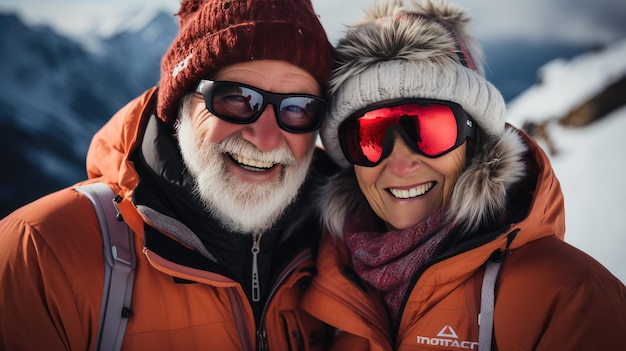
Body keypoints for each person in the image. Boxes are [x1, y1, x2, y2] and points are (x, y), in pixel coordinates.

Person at [0, 0, 336, 349]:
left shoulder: (343, 251)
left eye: (299, 107)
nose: (266, 140)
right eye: (236, 98)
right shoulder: (42, 255)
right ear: (181, 106)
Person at [301, 0, 626, 350]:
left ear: (475, 144)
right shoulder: (321, 291)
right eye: (370, 137)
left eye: (430, 128)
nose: (400, 164)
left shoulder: (570, 297)